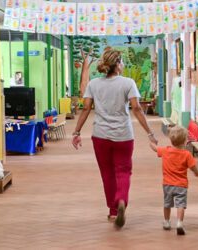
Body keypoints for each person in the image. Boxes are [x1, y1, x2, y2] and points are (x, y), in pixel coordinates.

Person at [71, 47, 158, 229]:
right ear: (118, 64)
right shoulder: (128, 83)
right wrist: (150, 132)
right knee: (123, 171)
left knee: (107, 173)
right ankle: (122, 201)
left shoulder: (93, 84)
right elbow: (136, 108)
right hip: (124, 136)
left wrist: (77, 132)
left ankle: (112, 211)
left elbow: (86, 108)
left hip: (100, 136)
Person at [150, 126, 198, 235]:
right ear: (185, 141)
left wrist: (151, 141)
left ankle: (167, 222)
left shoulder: (165, 150)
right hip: (181, 185)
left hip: (167, 184)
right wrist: (196, 173)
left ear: (171, 140)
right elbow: (193, 168)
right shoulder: (187, 154)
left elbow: (154, 148)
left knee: (167, 204)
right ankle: (179, 223)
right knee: (181, 204)